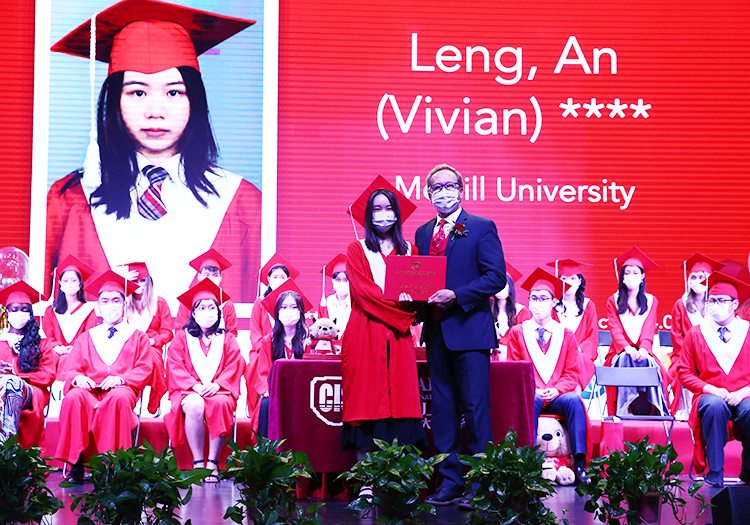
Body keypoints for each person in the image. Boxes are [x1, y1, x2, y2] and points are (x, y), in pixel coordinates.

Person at [45, 0, 261, 302]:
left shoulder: (242, 203)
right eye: (137, 92)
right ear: (114, 102)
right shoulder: (69, 199)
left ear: (195, 101)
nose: (155, 111)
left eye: (174, 92)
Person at [414, 164, 506, 507]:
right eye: (436, 187)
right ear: (428, 193)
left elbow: (496, 277)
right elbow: (420, 278)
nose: (444, 192)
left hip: (470, 331)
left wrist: (457, 295)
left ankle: (481, 484)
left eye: (449, 185)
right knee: (443, 409)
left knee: (475, 409)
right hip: (437, 332)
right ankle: (450, 481)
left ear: (462, 189)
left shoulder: (481, 227)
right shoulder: (422, 232)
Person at [55, 269, 152, 484]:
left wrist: (122, 379)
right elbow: (71, 369)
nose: (111, 306)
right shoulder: (87, 337)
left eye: (116, 300)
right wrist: (77, 378)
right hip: (90, 391)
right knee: (73, 397)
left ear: (124, 303)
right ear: (98, 306)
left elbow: (144, 368)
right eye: (105, 301)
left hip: (121, 390)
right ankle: (76, 464)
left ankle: (114, 466)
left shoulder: (138, 337)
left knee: (117, 399)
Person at [506, 268, 589, 484]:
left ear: (553, 302)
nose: (538, 303)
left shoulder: (566, 335)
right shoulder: (518, 332)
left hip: (556, 396)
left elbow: (572, 372)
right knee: (532, 399)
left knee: (574, 400)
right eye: (534, 298)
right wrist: (533, 389)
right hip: (531, 395)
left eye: (543, 298)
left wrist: (557, 389)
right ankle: (529, 463)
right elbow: (514, 370)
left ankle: (580, 464)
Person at [675, 272, 750, 487]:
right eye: (712, 301)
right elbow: (684, 372)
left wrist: (743, 392)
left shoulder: (747, 331)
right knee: (714, 405)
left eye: (721, 301)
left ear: (734, 304)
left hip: (743, 393)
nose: (715, 305)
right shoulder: (697, 333)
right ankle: (715, 472)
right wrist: (709, 388)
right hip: (710, 394)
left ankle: (748, 471)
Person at [165, 279, 243, 483]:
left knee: (221, 403)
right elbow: (174, 365)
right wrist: (194, 386)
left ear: (218, 312)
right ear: (193, 313)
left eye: (211, 308)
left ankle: (213, 462)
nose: (207, 312)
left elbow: (235, 364)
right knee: (194, 404)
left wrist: (218, 384)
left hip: (220, 390)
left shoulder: (227, 338)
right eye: (201, 308)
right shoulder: (182, 338)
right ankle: (198, 461)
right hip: (188, 390)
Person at [604, 247, 670, 417]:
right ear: (622, 277)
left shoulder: (651, 301)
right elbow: (615, 329)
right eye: (627, 273)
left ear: (642, 276)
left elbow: (649, 329)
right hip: (618, 351)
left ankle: (655, 410)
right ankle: (624, 409)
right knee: (625, 360)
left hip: (643, 350)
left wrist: (643, 349)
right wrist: (627, 348)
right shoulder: (613, 300)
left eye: (635, 273)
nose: (631, 276)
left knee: (653, 366)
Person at [252, 281, 313, 437]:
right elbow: (263, 372)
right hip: (276, 391)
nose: (288, 312)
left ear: (301, 312)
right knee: (266, 405)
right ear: (277, 312)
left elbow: (312, 371)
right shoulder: (269, 340)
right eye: (284, 307)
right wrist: (267, 390)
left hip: (301, 391)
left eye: (294, 307)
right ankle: (267, 449)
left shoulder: (308, 340)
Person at [0, 281, 55, 446]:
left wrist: (17, 375)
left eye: (24, 309)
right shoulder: (1, 341)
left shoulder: (41, 343)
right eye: (15, 309)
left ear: (31, 314)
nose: (19, 313)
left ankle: (7, 447)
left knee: (12, 383)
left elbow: (48, 375)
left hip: (33, 393)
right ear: (7, 313)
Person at [669, 254, 722, 417]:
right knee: (680, 370)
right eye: (694, 277)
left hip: (712, 356)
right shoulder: (681, 304)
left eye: (702, 277)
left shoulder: (716, 305)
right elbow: (676, 336)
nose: (698, 281)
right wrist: (693, 357)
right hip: (684, 356)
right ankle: (684, 409)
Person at [123, 262, 173, 414]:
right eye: (134, 281)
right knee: (130, 361)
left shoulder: (159, 303)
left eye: (142, 280)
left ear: (149, 281)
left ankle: (153, 399)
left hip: (151, 347)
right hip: (128, 348)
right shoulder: (123, 303)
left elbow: (167, 332)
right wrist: (123, 287)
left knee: (151, 359)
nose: (139, 284)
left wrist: (153, 341)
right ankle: (129, 400)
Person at [41, 255, 97, 374]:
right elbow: (47, 336)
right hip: (54, 355)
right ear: (60, 283)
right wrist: (56, 346)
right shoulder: (50, 311)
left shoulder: (89, 311)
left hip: (80, 356)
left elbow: (89, 337)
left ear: (80, 283)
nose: (70, 284)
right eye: (65, 280)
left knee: (69, 360)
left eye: (74, 280)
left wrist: (75, 349)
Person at [549, 259, 599, 388]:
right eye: (564, 278)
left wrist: (577, 349)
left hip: (581, 355)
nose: (568, 282)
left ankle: (574, 395)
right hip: (556, 355)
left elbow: (592, 337)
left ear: (579, 281)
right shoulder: (552, 305)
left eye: (572, 278)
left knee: (577, 359)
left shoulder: (588, 305)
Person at [175, 249, 238, 336]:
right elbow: (179, 331)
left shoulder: (227, 305)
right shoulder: (187, 302)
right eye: (206, 274)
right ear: (199, 276)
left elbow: (232, 334)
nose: (210, 279)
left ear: (220, 278)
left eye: (215, 275)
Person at [491, 262, 531, 361]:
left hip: (514, 359)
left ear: (510, 288)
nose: (500, 289)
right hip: (492, 361)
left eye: (504, 285)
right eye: (497, 285)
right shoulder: (488, 312)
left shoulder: (522, 312)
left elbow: (527, 341)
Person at [318, 253, 351, 337]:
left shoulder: (356, 303)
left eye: (346, 280)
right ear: (332, 281)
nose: (342, 283)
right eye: (338, 280)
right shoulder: (327, 302)